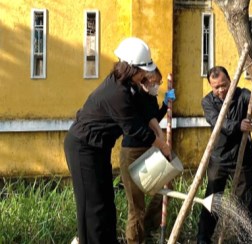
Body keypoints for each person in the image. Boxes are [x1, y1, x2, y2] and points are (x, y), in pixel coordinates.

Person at [64, 37, 171, 244]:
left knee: (106, 204)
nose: (146, 74)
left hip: (99, 148)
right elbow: (137, 130)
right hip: (82, 148)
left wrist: (160, 133)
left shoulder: (127, 85)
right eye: (143, 70)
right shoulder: (117, 93)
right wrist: (163, 146)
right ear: (132, 68)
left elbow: (146, 114)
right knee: (92, 207)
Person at [197, 66, 252, 244]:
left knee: (245, 201)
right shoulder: (207, 102)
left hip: (243, 155)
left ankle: (246, 239)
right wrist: (238, 126)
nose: (221, 90)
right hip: (219, 158)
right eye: (216, 87)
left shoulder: (242, 95)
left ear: (231, 81)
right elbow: (218, 122)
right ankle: (203, 237)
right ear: (211, 86)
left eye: (224, 85)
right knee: (213, 199)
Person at [119, 67, 176, 243]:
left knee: (167, 185)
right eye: (155, 83)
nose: (157, 86)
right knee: (136, 205)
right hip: (132, 152)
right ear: (145, 80)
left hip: (149, 150)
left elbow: (154, 118)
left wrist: (165, 104)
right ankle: (135, 240)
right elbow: (148, 125)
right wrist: (162, 144)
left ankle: (148, 227)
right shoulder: (134, 96)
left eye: (159, 83)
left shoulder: (151, 98)